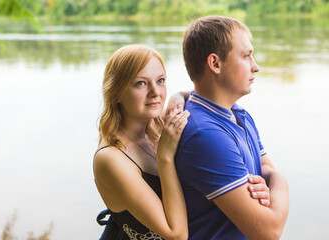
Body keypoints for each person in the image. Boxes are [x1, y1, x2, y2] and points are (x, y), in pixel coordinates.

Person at [175, 16, 289, 239]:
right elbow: (269, 231)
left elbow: (266, 169)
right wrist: (281, 181)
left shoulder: (238, 114)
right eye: (246, 56)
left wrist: (269, 181)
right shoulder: (205, 135)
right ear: (215, 63)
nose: (256, 66)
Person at [93, 44, 190, 240]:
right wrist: (165, 158)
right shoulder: (111, 158)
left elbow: (200, 96)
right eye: (141, 83)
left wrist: (177, 96)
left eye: (161, 80)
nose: (156, 92)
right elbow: (176, 235)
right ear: (117, 92)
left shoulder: (154, 125)